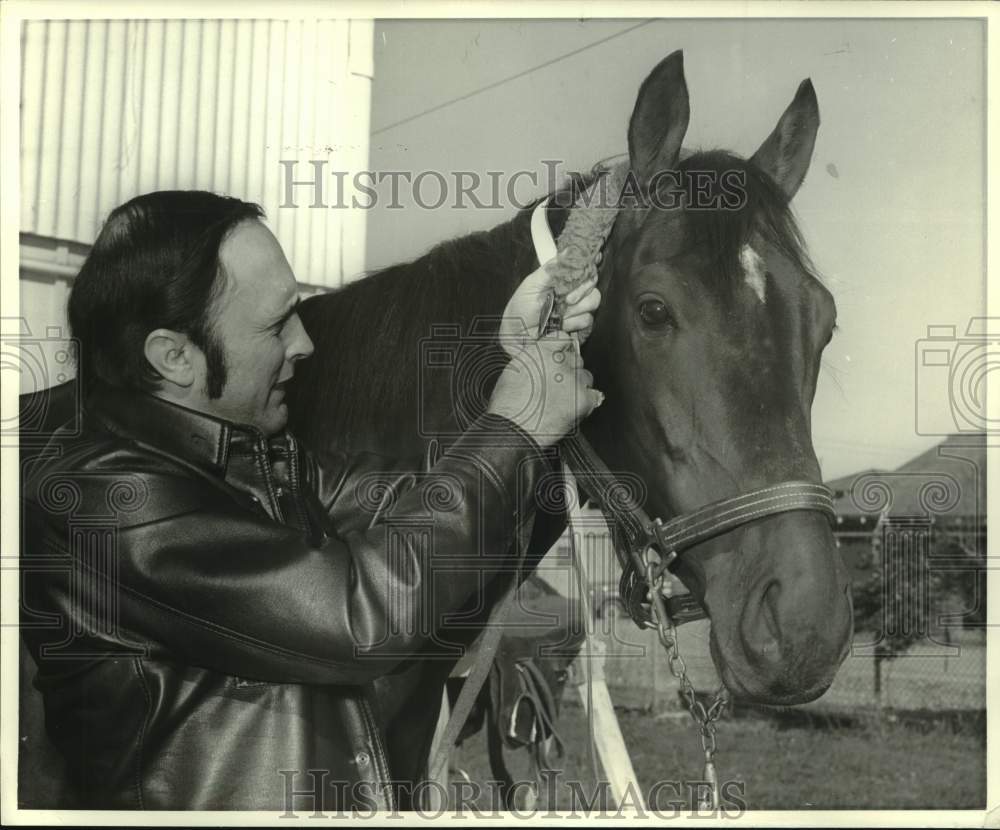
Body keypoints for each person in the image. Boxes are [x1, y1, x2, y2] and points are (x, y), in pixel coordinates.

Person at [19, 190, 602, 811]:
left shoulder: (248, 463)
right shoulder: (106, 499)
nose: (304, 343)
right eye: (275, 325)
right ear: (174, 356)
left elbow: (403, 514)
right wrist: (512, 431)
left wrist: (502, 349)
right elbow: (360, 615)